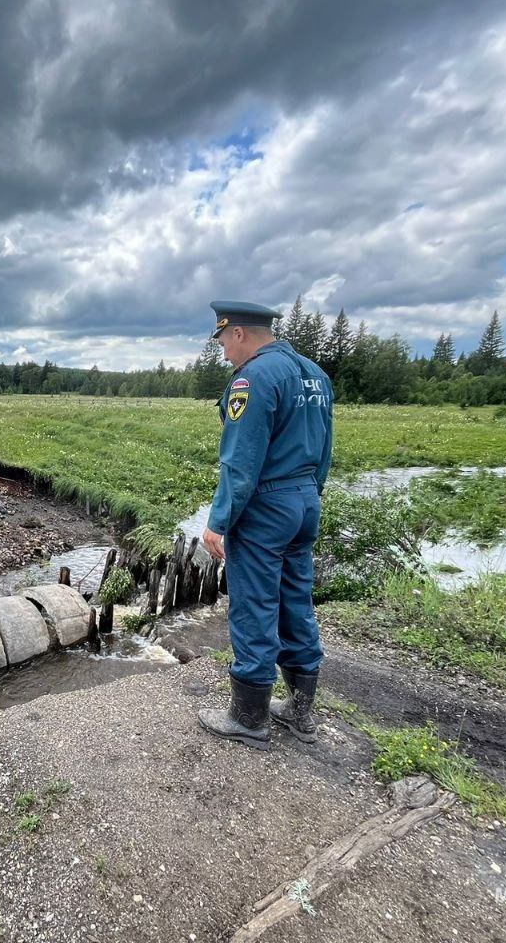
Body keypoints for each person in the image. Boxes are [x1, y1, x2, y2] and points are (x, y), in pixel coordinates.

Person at [196, 300, 333, 748]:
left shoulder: (253, 378)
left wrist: (218, 522)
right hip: (305, 501)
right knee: (296, 599)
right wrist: (311, 495)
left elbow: (241, 460)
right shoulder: (316, 374)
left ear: (237, 332)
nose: (222, 352)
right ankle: (299, 710)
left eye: (222, 341)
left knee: (255, 603)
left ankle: (249, 717)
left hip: (266, 506)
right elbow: (325, 446)